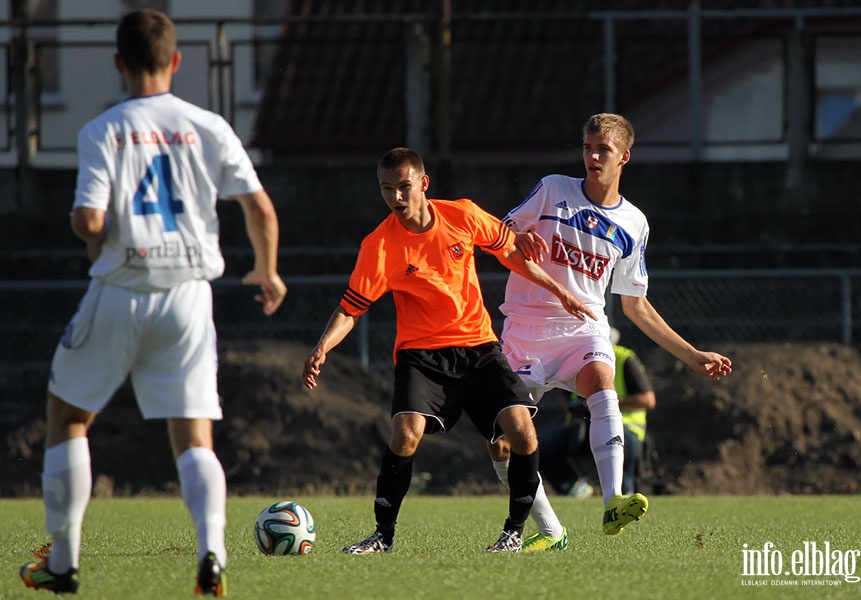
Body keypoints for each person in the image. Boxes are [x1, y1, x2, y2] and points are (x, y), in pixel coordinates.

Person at [19, 9, 287, 596]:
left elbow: (90, 219)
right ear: (177, 60)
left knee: (68, 418)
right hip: (189, 297)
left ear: (119, 64)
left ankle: (62, 563)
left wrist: (92, 230)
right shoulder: (209, 125)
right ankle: (212, 552)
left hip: (121, 289)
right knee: (194, 439)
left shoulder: (103, 130)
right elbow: (261, 210)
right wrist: (265, 270)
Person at [302, 147, 595, 554]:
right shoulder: (379, 245)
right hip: (421, 355)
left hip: (478, 347)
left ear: (423, 183)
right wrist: (322, 348)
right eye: (387, 190)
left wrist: (560, 290)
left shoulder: (462, 215)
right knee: (405, 436)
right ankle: (382, 536)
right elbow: (351, 309)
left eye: (403, 187)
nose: (396, 199)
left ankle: (514, 532)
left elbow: (511, 252)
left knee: (522, 431)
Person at [488, 113, 732, 549]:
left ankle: (613, 501)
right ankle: (550, 530)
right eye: (587, 148)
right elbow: (500, 232)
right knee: (504, 442)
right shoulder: (553, 189)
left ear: (625, 157)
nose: (593, 156)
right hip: (526, 330)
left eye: (603, 149)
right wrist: (518, 236)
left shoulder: (634, 224)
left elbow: (635, 306)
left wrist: (694, 356)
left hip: (584, 328)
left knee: (603, 384)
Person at [538, 328, 657, 498]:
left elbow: (648, 399)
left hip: (624, 428)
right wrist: (575, 407)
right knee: (540, 445)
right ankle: (574, 489)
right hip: (583, 426)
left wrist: (605, 403)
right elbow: (563, 397)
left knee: (622, 442)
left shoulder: (624, 358)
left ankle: (623, 492)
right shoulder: (576, 356)